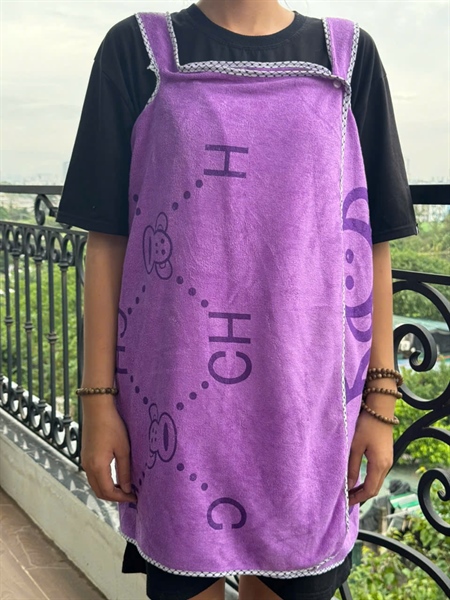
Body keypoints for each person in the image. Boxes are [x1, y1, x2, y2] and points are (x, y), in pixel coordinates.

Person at [56, 1, 418, 599]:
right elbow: (108, 241)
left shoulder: (349, 60)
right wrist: (98, 404)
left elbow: (371, 236)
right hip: (174, 407)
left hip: (307, 408)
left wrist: (380, 401)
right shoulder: (138, 51)